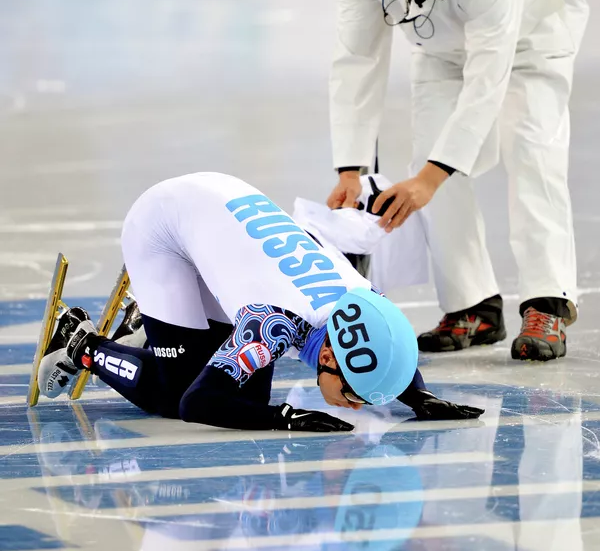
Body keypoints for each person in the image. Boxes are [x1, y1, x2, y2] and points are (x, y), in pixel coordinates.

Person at [327, 0, 589, 362]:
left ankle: (547, 304)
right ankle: (473, 307)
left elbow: (488, 79)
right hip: (441, 50)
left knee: (531, 151)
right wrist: (350, 170)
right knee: (425, 160)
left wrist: (432, 178)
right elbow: (357, 61)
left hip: (532, 36)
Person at [37, 172, 483, 430]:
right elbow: (197, 404)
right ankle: (80, 344)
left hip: (218, 201)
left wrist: (419, 396)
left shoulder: (364, 302)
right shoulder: (273, 323)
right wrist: (284, 418)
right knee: (174, 394)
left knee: (245, 393)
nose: (357, 406)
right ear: (328, 356)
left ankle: (157, 325)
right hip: (161, 225)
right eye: (354, 393)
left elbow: (385, 340)